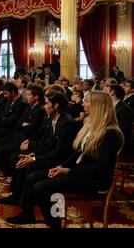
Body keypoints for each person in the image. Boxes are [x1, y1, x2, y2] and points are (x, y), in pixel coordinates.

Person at [9, 91, 123, 228]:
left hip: (95, 180)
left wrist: (67, 170)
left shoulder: (110, 133)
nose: (83, 104)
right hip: (80, 172)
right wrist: (62, 166)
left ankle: (54, 223)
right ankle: (34, 215)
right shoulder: (92, 126)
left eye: (87, 102)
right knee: (33, 177)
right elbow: (76, 154)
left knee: (41, 187)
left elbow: (101, 167)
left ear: (97, 107)